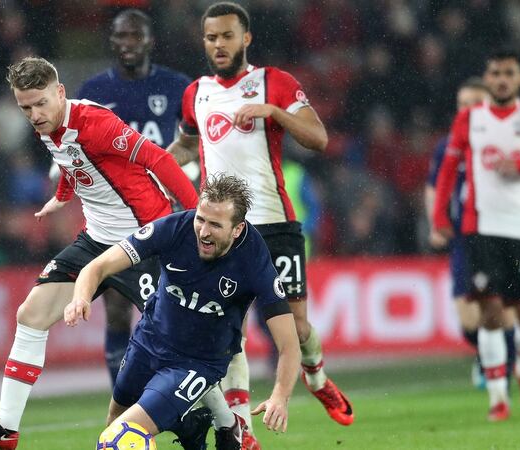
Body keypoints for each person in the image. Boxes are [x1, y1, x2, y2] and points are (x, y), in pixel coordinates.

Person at [0, 56, 198, 450]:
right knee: (30, 315)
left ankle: (220, 424)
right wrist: (62, 196)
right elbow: (71, 161)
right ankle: (6, 427)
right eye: (25, 108)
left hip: (144, 241)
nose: (34, 115)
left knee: (177, 343)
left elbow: (159, 159)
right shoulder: (47, 126)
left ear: (60, 92)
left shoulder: (97, 123)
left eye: (41, 103)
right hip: (96, 241)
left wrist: (196, 218)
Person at [167, 2, 354, 440]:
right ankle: (242, 431)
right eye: (211, 37)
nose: (219, 44)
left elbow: (319, 138)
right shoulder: (195, 93)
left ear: (245, 38)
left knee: (297, 328)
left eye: (227, 36)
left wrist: (274, 112)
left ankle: (317, 378)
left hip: (274, 224)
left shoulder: (275, 83)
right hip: (221, 229)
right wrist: (152, 165)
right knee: (227, 334)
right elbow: (188, 144)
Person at [65, 174, 300, 450]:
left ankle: (195, 423)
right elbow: (97, 267)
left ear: (237, 229)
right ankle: (189, 426)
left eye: (215, 225)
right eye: (201, 219)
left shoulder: (254, 259)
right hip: (149, 340)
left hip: (197, 363)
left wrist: (280, 397)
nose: (203, 231)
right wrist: (80, 298)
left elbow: (289, 345)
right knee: (113, 424)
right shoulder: (175, 228)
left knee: (117, 439)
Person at [433, 49, 520, 422]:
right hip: (480, 227)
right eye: (496, 73)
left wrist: (518, 164)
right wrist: (439, 216)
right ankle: (498, 398)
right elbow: (448, 168)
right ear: (488, 79)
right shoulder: (469, 119)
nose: (501, 79)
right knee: (490, 312)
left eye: (508, 73)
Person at [76, 9, 192, 387]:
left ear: (149, 41)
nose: (127, 44)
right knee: (116, 309)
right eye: (120, 36)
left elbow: (195, 140)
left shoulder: (177, 86)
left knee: (171, 305)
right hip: (115, 214)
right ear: (111, 41)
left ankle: (178, 389)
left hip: (166, 212)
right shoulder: (94, 92)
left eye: (135, 36)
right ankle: (122, 395)